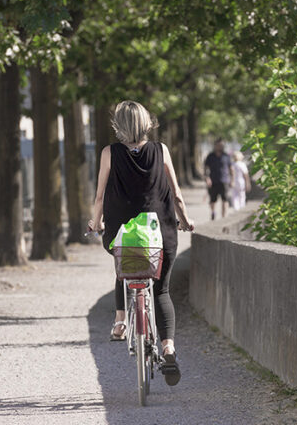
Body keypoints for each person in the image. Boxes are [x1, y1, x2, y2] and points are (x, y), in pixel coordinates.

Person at [88, 100, 194, 386]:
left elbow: (99, 196)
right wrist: (185, 219)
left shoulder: (109, 153)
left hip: (123, 232)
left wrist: (95, 222)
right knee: (161, 291)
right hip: (159, 232)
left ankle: (121, 320)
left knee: (125, 269)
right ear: (147, 123)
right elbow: (175, 192)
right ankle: (169, 348)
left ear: (118, 125)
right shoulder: (161, 151)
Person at [203, 139, 232, 220]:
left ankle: (224, 217)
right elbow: (205, 168)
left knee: (225, 199)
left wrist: (232, 180)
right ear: (215, 146)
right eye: (219, 145)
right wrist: (207, 178)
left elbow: (231, 168)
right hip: (213, 181)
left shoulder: (226, 156)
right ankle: (213, 213)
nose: (220, 147)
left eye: (222, 145)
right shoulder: (210, 156)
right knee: (213, 200)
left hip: (224, 181)